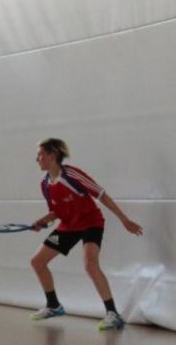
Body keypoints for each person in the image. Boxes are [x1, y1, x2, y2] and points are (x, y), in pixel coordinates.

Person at [29, 138, 143, 330]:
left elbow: (102, 195)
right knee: (37, 262)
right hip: (68, 226)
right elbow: (56, 211)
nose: (37, 158)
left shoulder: (72, 175)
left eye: (40, 154)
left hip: (91, 223)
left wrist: (124, 219)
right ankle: (54, 305)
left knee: (90, 264)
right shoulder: (45, 184)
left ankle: (113, 314)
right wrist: (42, 221)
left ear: (53, 155)